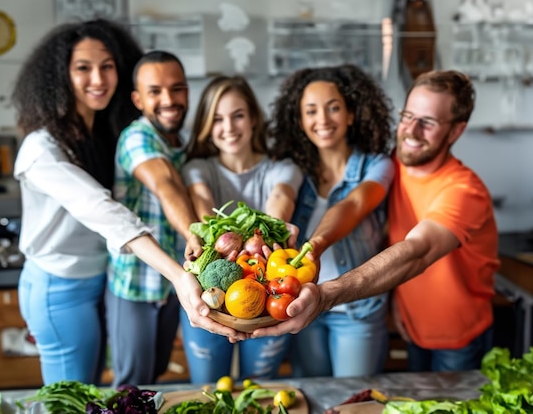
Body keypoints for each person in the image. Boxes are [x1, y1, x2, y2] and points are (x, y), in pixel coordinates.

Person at [10, 19, 222, 385]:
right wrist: (178, 274)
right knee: (70, 399)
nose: (98, 79)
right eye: (83, 68)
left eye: (107, 66)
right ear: (59, 76)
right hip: (58, 287)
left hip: (98, 279)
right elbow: (107, 213)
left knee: (96, 393)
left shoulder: (102, 135)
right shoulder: (41, 148)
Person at [254, 70, 500, 373]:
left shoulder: (463, 191)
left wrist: (326, 292)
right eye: (408, 116)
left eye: (428, 122)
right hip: (412, 324)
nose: (411, 130)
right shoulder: (399, 161)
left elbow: (416, 251)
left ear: (455, 132)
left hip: (457, 335)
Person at [267, 64, 395, 377]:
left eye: (333, 108)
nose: (322, 120)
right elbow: (280, 197)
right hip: (301, 303)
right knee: (312, 394)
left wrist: (315, 245)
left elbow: (354, 203)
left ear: (351, 114)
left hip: (357, 309)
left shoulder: (377, 165)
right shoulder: (292, 170)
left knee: (353, 401)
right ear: (300, 121)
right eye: (311, 111)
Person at [180, 75, 304, 383]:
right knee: (208, 388)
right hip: (210, 301)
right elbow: (203, 203)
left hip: (264, 300)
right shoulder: (197, 169)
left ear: (253, 119)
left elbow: (280, 197)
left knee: (260, 386)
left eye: (238, 116)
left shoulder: (282, 167)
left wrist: (262, 234)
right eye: (218, 118)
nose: (229, 127)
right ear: (207, 125)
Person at [105, 50, 203, 387]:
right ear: (138, 99)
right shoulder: (136, 137)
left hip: (174, 285)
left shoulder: (185, 142)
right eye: (155, 91)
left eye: (177, 89)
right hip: (135, 285)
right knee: (131, 385)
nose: (169, 100)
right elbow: (165, 184)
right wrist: (197, 236)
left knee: (157, 378)